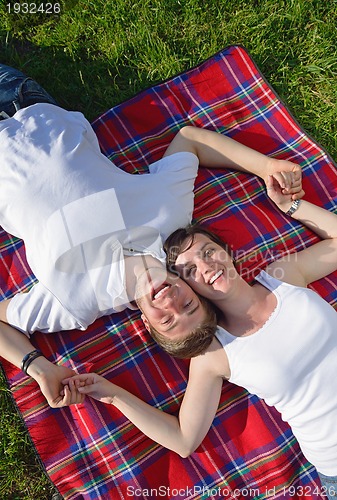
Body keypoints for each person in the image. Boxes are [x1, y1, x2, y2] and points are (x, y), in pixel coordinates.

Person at [0, 62, 302, 407]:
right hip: (27, 104)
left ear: (147, 323)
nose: (172, 303)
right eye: (188, 304)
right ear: (192, 287)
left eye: (169, 320)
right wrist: (265, 167)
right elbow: (190, 141)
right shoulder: (169, 217)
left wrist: (37, 367)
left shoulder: (76, 304)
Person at [63, 175, 337, 498]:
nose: (207, 267)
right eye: (191, 271)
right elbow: (183, 439)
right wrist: (111, 394)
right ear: (187, 288)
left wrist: (291, 205)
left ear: (226, 252)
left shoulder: (284, 277)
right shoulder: (215, 353)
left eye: (208, 252)